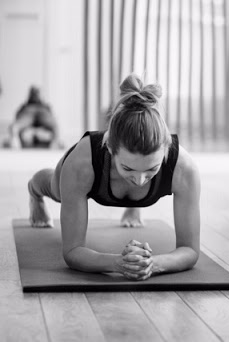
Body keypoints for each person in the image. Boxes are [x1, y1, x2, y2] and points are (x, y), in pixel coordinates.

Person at [27, 74, 200, 281]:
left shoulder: (184, 169)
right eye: (128, 168)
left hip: (127, 176)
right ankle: (34, 191)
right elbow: (72, 251)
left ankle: (132, 200)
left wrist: (154, 264)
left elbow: (190, 250)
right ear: (109, 148)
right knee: (56, 190)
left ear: (165, 150)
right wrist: (118, 263)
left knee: (137, 177)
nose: (140, 180)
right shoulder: (81, 165)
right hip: (88, 170)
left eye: (151, 170)